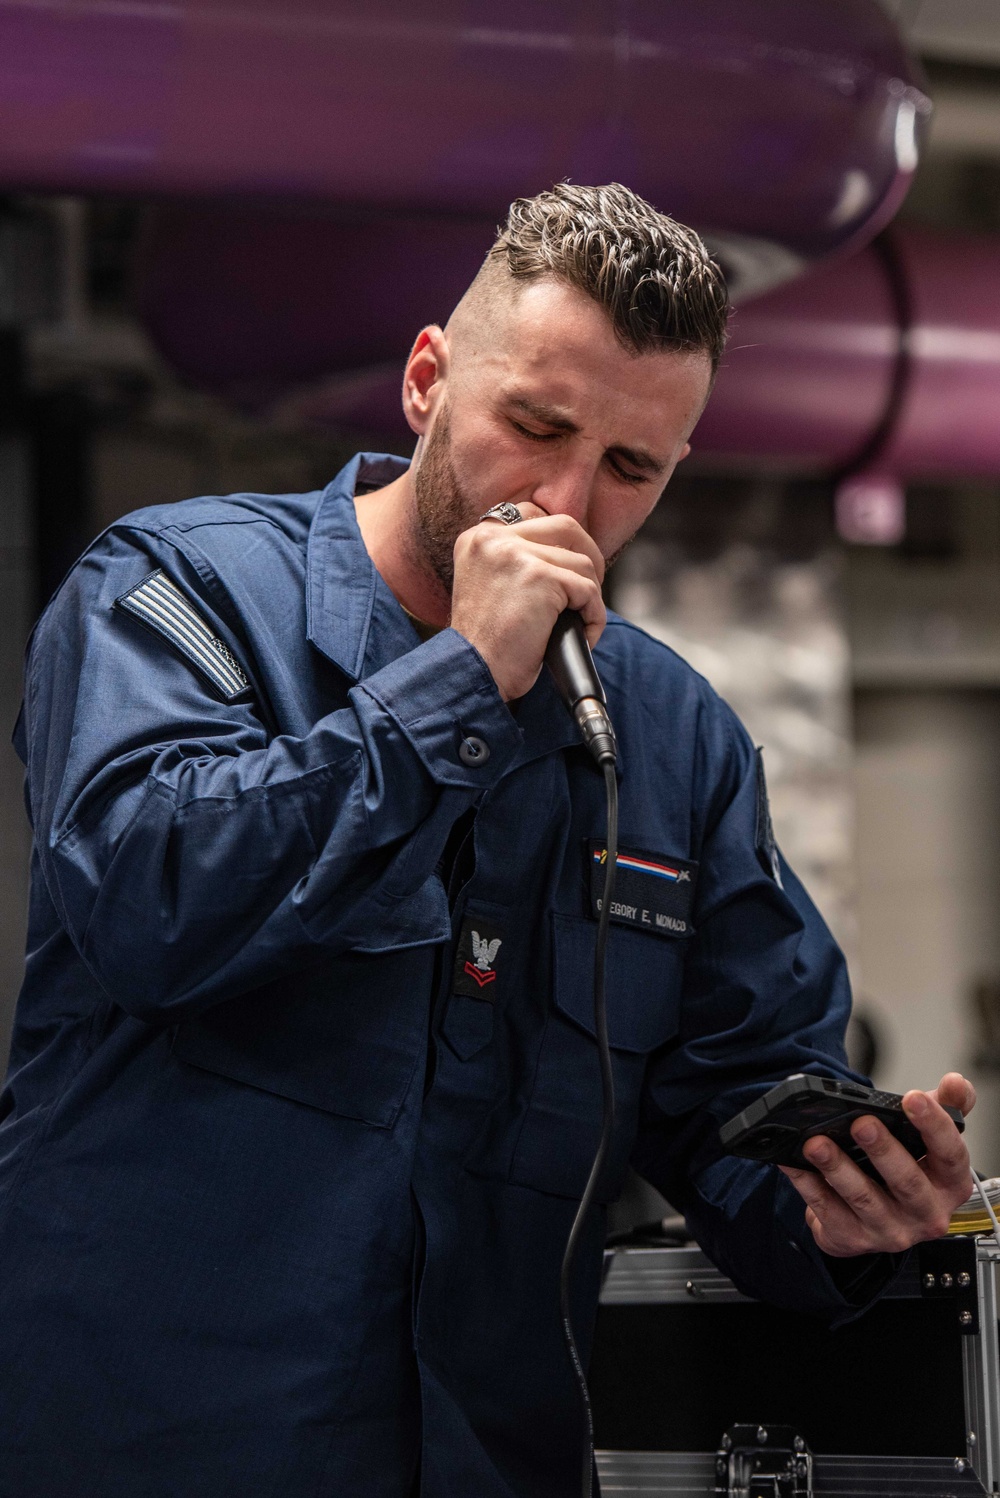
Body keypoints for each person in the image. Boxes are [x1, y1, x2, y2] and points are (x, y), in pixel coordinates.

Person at [0, 183, 975, 1498]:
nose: (569, 499)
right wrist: (461, 680)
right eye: (535, 426)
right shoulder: (178, 594)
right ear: (426, 382)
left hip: (484, 1457)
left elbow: (738, 1096)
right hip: (158, 1444)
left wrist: (838, 1213)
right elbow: (150, 897)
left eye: (630, 467)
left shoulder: (671, 739)